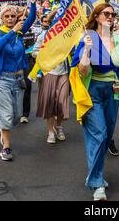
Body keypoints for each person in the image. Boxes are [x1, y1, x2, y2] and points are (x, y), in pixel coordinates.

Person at [71, 3, 119, 201]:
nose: (111, 17)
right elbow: (82, 71)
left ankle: (94, 174)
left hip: (113, 93)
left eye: (113, 14)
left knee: (105, 138)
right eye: (106, 14)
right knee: (99, 134)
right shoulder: (88, 37)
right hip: (92, 91)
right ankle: (97, 183)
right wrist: (87, 50)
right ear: (96, 16)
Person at [0, 0, 37, 161]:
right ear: (1, 18)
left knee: (17, 117)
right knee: (7, 116)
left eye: (13, 16)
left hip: (18, 79)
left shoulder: (20, 31)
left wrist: (32, 1)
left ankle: (4, 129)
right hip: (2, 79)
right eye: (7, 16)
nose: (10, 19)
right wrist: (12, 31)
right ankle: (6, 147)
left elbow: (32, 18)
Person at [32, 13, 69, 144]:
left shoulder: (67, 36)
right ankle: (50, 131)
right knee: (49, 104)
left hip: (64, 73)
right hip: (49, 73)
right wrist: (47, 55)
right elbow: (34, 52)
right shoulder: (44, 36)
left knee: (61, 102)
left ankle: (58, 126)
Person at [18, 9, 37, 124]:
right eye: (20, 20)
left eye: (25, 20)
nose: (23, 22)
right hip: (15, 63)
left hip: (28, 61)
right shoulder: (13, 32)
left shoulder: (34, 32)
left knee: (27, 87)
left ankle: (25, 114)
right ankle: (14, 111)